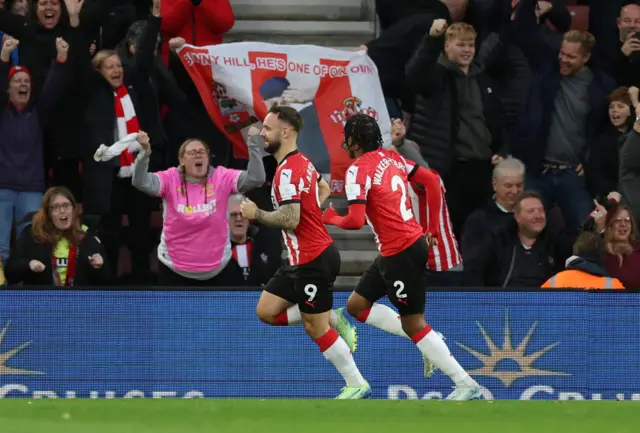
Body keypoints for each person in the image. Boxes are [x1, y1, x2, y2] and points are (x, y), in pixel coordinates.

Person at [322, 113, 482, 401]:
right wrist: (431, 227)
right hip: (402, 246)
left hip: (401, 252)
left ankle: (466, 383)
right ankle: (430, 341)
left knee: (413, 323)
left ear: (355, 142)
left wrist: (332, 217)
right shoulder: (392, 158)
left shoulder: (357, 170)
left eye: (348, 137)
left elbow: (356, 220)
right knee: (357, 306)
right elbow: (432, 181)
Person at [239, 105, 370, 400]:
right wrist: (313, 212)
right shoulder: (303, 163)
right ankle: (333, 317)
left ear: (285, 132)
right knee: (266, 312)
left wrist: (256, 213)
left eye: (268, 129)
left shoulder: (287, 172)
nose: (263, 133)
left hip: (313, 259)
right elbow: (322, 189)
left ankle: (356, 383)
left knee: (314, 326)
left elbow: (290, 219)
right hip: (303, 258)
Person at [132, 126, 265, 286]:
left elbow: (256, 178)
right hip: (174, 268)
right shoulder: (170, 178)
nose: (198, 154)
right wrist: (144, 153)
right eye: (192, 152)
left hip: (218, 268)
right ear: (181, 160)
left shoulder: (222, 177)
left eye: (202, 152)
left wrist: (253, 146)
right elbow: (140, 182)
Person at [5, 187, 110, 286]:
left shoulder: (87, 237)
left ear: (73, 210)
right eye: (56, 207)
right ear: (48, 213)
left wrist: (100, 267)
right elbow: (10, 274)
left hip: (78, 301)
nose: (62, 210)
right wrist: (28, 264)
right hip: (42, 301)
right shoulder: (33, 236)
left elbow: (107, 282)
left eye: (66, 205)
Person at [541, 231, 625, 289]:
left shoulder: (555, 282)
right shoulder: (612, 286)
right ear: (603, 255)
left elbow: (537, 311)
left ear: (575, 251)